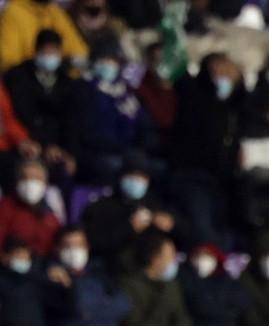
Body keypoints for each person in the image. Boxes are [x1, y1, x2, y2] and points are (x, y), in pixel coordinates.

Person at [47, 227, 174, 326]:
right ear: (58, 249)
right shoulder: (52, 277)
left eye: (78, 245)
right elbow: (77, 308)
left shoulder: (100, 274)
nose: (74, 251)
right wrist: (77, 294)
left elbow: (123, 305)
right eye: (67, 246)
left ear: (87, 247)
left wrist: (91, 310)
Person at [169, 52, 242, 250]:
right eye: (216, 70)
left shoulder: (241, 108)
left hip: (225, 181)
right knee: (203, 230)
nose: (222, 75)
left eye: (227, 71)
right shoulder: (195, 99)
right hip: (194, 176)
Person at [81, 151, 183, 274]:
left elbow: (184, 233)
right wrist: (129, 228)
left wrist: (172, 224)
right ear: (121, 176)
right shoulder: (101, 206)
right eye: (133, 175)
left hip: (153, 272)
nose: (137, 181)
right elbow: (94, 241)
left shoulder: (153, 205)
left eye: (143, 177)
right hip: (116, 272)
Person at [3, 29, 78, 183]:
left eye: (54, 52)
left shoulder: (67, 82)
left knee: (65, 171)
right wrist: (34, 143)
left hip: (56, 146)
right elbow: (15, 115)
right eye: (46, 52)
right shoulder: (18, 77)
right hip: (27, 142)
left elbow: (71, 120)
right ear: (36, 51)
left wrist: (68, 152)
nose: (50, 56)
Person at [77, 43, 157, 184]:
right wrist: (118, 148)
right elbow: (85, 128)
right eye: (103, 59)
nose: (108, 64)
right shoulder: (84, 89)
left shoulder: (127, 91)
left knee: (150, 166)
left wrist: (142, 145)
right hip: (98, 151)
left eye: (112, 60)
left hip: (130, 149)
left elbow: (143, 121)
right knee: (113, 165)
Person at [118, 230, 190, 326]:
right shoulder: (129, 285)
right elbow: (133, 324)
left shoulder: (171, 286)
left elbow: (181, 316)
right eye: (170, 256)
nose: (174, 261)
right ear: (155, 258)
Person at [179, 243, 250, 326]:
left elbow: (241, 304)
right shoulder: (185, 279)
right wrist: (221, 309)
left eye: (207, 256)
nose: (202, 260)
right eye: (198, 256)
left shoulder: (227, 282)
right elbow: (199, 306)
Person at [0, 0, 89, 72]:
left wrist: (62, 65)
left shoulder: (54, 11)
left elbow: (79, 53)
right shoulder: (13, 12)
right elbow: (9, 61)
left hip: (56, 81)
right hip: (24, 82)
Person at [0, 159, 59, 257]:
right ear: (17, 182)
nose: (30, 183)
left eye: (36, 178)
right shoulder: (4, 208)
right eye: (24, 178)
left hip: (41, 267)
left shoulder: (51, 216)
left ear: (45, 183)